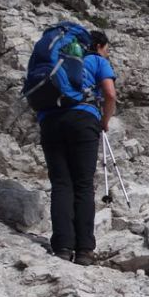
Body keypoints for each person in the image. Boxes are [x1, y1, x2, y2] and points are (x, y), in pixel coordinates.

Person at [39, 30, 116, 265]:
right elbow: (110, 94)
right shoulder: (97, 60)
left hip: (51, 121)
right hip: (83, 121)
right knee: (83, 185)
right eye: (107, 48)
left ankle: (62, 246)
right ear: (100, 45)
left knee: (61, 183)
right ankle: (84, 250)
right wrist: (104, 120)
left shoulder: (57, 60)